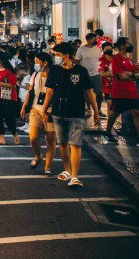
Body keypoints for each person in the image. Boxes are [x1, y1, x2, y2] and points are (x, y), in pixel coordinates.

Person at [42, 42, 100, 188]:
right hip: (58, 111)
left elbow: (89, 92)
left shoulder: (81, 71)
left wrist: (96, 111)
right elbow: (50, 92)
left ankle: (74, 176)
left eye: (57, 55)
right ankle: (67, 170)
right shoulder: (55, 71)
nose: (55, 58)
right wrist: (44, 110)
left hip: (76, 112)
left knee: (75, 144)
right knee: (62, 143)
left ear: (66, 56)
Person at [21, 52, 57, 175]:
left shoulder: (54, 75)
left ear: (45, 63)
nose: (35, 64)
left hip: (51, 111)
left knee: (50, 140)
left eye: (37, 62)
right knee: (33, 137)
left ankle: (48, 167)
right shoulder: (35, 75)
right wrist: (24, 107)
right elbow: (30, 93)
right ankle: (38, 155)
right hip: (36, 109)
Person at [105, 38, 139, 146]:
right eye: (127, 44)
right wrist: (132, 75)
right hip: (120, 92)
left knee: (136, 113)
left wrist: (130, 75)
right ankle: (108, 132)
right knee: (115, 113)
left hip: (132, 92)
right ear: (122, 46)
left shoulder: (130, 61)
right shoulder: (116, 59)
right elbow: (121, 76)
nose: (129, 45)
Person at [0, 51, 20, 145]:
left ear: (2, 60)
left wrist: (0, 83)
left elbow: (12, 84)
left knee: (9, 118)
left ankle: (15, 134)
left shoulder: (9, 71)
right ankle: (1, 138)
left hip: (9, 98)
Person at [75, 33, 102, 118]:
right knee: (87, 93)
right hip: (86, 75)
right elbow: (76, 61)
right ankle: (89, 108)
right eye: (94, 39)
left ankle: (98, 109)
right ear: (88, 40)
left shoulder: (97, 49)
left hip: (96, 73)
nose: (95, 40)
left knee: (99, 93)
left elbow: (100, 60)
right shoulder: (81, 50)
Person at [99, 41, 115, 118]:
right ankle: (110, 126)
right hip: (107, 86)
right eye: (106, 49)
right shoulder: (101, 60)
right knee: (110, 105)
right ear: (103, 50)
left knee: (119, 105)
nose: (108, 50)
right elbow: (102, 73)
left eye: (110, 48)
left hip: (118, 86)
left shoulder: (116, 58)